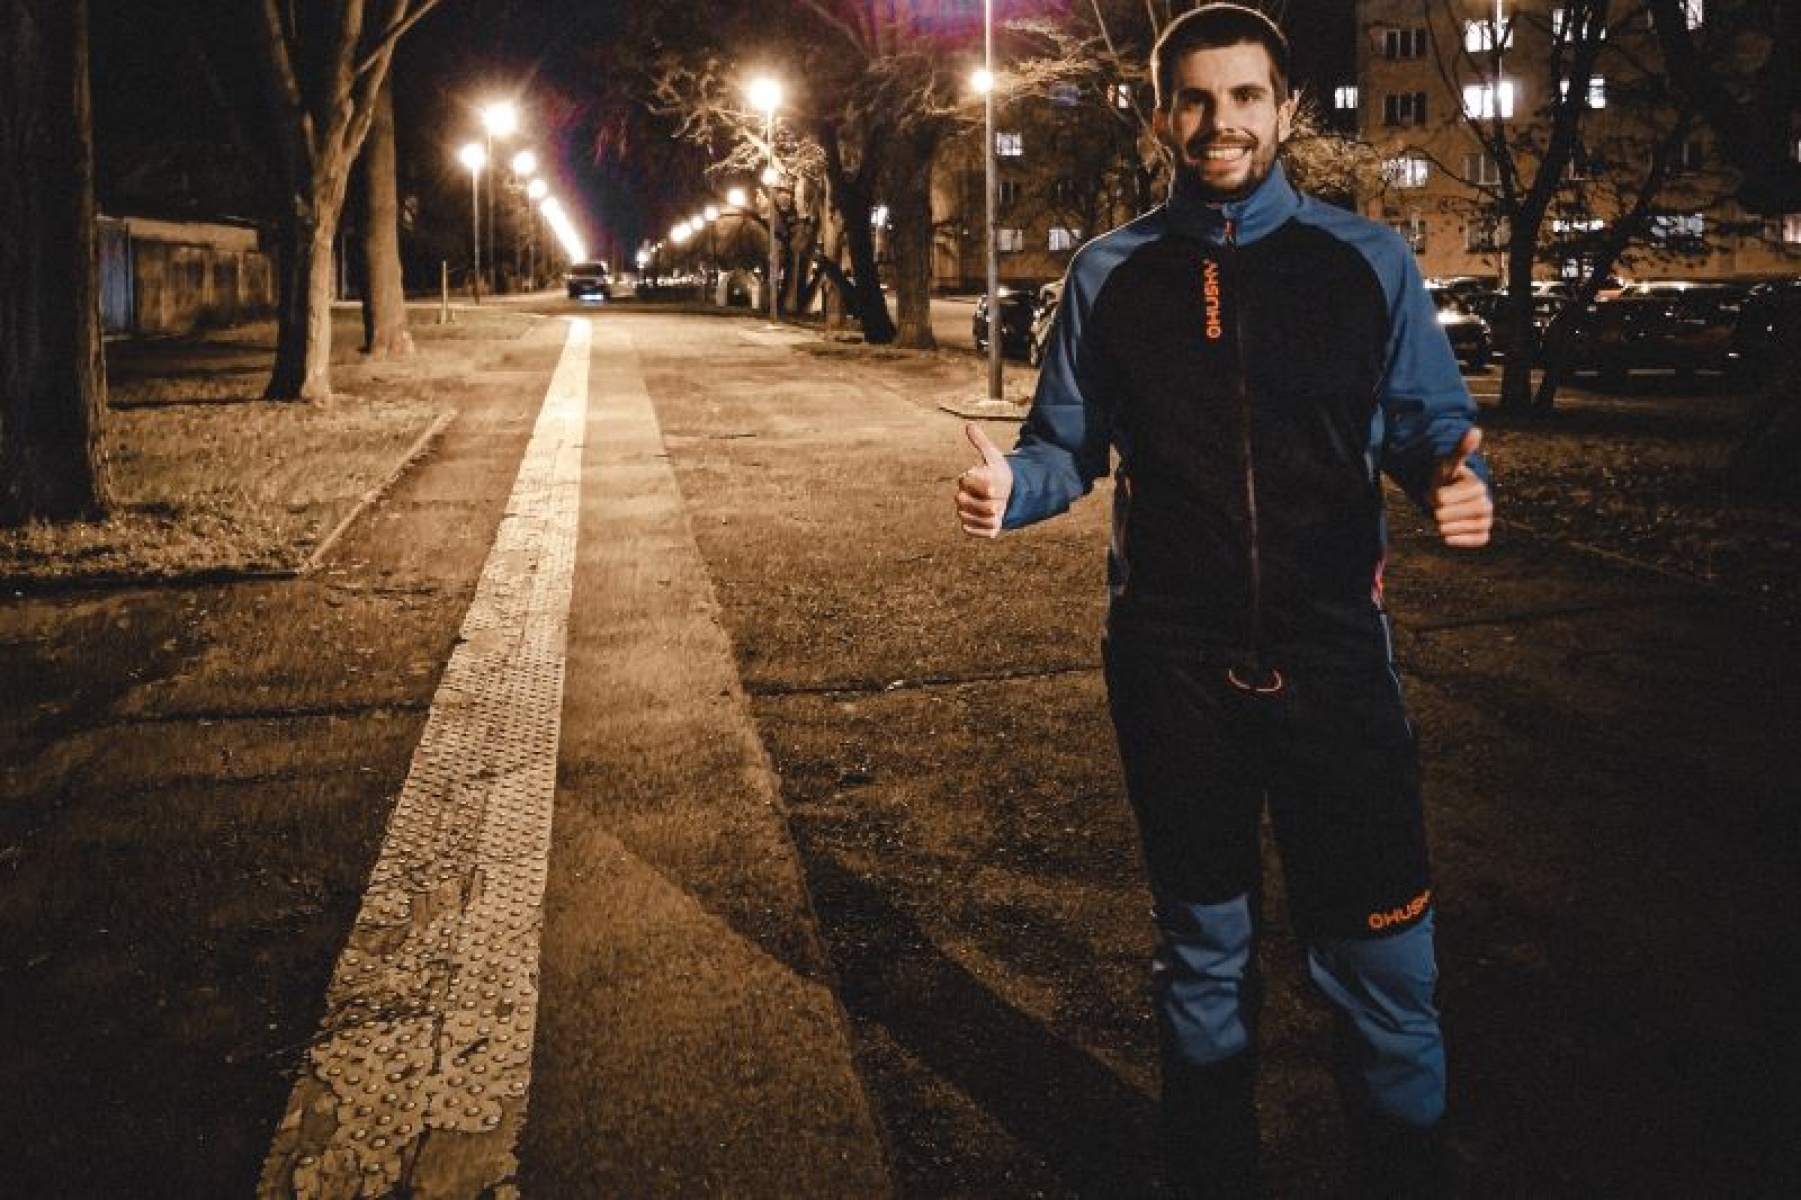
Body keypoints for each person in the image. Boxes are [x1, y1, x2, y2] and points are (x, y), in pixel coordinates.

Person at [954, 5, 1493, 1196]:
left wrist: (1457, 482)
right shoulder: (1110, 272)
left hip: (1335, 663)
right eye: (1195, 99)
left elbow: (1429, 423)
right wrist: (1013, 489)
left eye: (1245, 96)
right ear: (1161, 117)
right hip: (1174, 668)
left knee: (1385, 960)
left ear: (1286, 110)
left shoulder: (1367, 262)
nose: (1220, 122)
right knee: (1202, 954)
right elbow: (1065, 448)